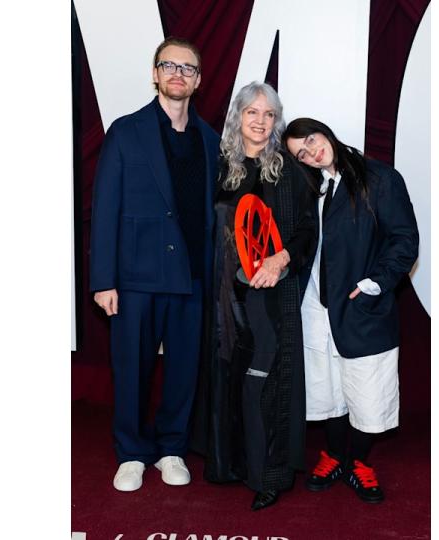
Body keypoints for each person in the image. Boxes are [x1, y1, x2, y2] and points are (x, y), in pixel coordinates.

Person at [89, 37, 220, 492]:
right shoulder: (126, 132)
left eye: (187, 68)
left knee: (184, 371)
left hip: (192, 277)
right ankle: (131, 453)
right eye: (169, 65)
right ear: (155, 74)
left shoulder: (209, 139)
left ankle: (171, 450)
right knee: (132, 369)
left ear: (198, 80)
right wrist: (103, 280)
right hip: (135, 277)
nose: (178, 74)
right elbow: (104, 208)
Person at [190, 82, 316, 510]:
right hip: (225, 296)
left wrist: (279, 260)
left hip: (269, 295)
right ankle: (229, 463)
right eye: (252, 113)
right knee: (228, 376)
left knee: (265, 383)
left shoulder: (288, 170)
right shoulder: (218, 165)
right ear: (237, 117)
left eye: (269, 114)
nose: (261, 121)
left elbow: (306, 232)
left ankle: (269, 474)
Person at [282, 118, 419, 504]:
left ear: (326, 132)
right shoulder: (311, 188)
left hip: (361, 306)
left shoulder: (379, 178)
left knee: (368, 390)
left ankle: (357, 459)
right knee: (327, 391)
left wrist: (375, 282)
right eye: (301, 154)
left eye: (311, 140)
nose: (311, 151)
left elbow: (405, 239)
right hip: (314, 307)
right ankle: (332, 455)